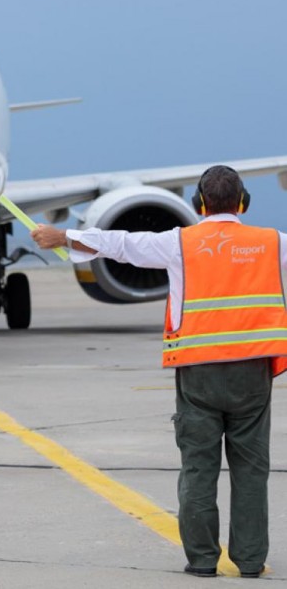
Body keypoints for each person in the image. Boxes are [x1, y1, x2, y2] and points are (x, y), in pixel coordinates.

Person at [31, 165, 287, 579]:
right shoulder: (273, 243)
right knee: (251, 471)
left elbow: (122, 244)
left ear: (199, 204)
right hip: (252, 373)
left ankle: (203, 561)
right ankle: (251, 561)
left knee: (199, 469)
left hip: (197, 374)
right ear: (243, 203)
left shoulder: (179, 243)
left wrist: (62, 237)